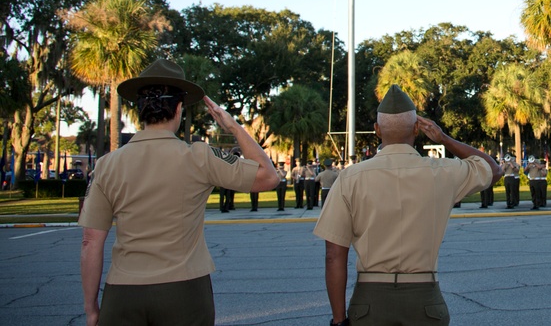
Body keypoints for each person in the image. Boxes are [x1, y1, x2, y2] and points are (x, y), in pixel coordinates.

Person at [79, 59, 279, 326]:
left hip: (123, 290)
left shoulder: (107, 164)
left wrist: (92, 307)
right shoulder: (199, 156)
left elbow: (91, 240)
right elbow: (268, 177)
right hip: (184, 289)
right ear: (178, 108)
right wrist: (233, 127)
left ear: (140, 110)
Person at [314, 85, 500, 326]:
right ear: (416, 128)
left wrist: (339, 320)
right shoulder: (443, 172)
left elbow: (334, 256)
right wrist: (443, 138)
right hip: (424, 300)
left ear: (377, 130)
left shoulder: (350, 178)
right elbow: (493, 169)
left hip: (370, 302)